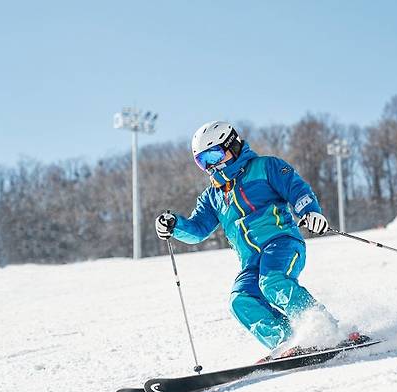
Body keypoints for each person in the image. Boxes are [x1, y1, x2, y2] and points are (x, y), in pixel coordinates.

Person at [155, 121, 365, 359]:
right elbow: (197, 230)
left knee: (273, 282)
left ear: (231, 145)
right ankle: (288, 342)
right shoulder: (212, 196)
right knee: (241, 300)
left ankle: (329, 332)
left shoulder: (266, 167)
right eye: (203, 162)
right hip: (250, 261)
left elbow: (297, 190)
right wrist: (175, 225)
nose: (211, 165)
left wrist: (310, 212)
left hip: (282, 243)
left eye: (214, 155)